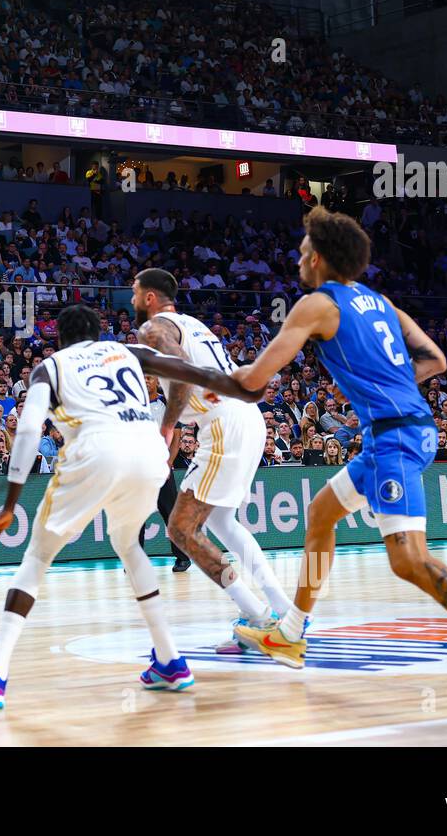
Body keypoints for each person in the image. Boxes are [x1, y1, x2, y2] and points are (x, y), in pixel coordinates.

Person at [229, 207, 447, 709]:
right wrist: (391, 391)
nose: (298, 257)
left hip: (394, 439)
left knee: (410, 561)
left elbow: (254, 380)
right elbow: (437, 360)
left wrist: (192, 376)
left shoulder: (317, 304)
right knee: (320, 513)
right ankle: (291, 631)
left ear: (317, 258)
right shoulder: (383, 303)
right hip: (402, 430)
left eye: (301, 251)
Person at [0, 304, 264, 710]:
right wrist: (245, 388)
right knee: (128, 545)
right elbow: (192, 372)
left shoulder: (49, 367)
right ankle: (169, 659)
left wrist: (9, 503)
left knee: (37, 559)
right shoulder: (128, 351)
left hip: (95, 448)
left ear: (61, 339)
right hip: (148, 452)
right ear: (98, 332)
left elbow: (26, 429)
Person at [133, 268, 294, 651]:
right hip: (244, 419)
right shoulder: (193, 323)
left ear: (151, 298)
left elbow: (184, 376)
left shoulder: (154, 328)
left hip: (223, 423)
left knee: (181, 529)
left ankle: (259, 619)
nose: (133, 300)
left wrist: (167, 426)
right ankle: (284, 610)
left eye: (135, 293)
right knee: (222, 520)